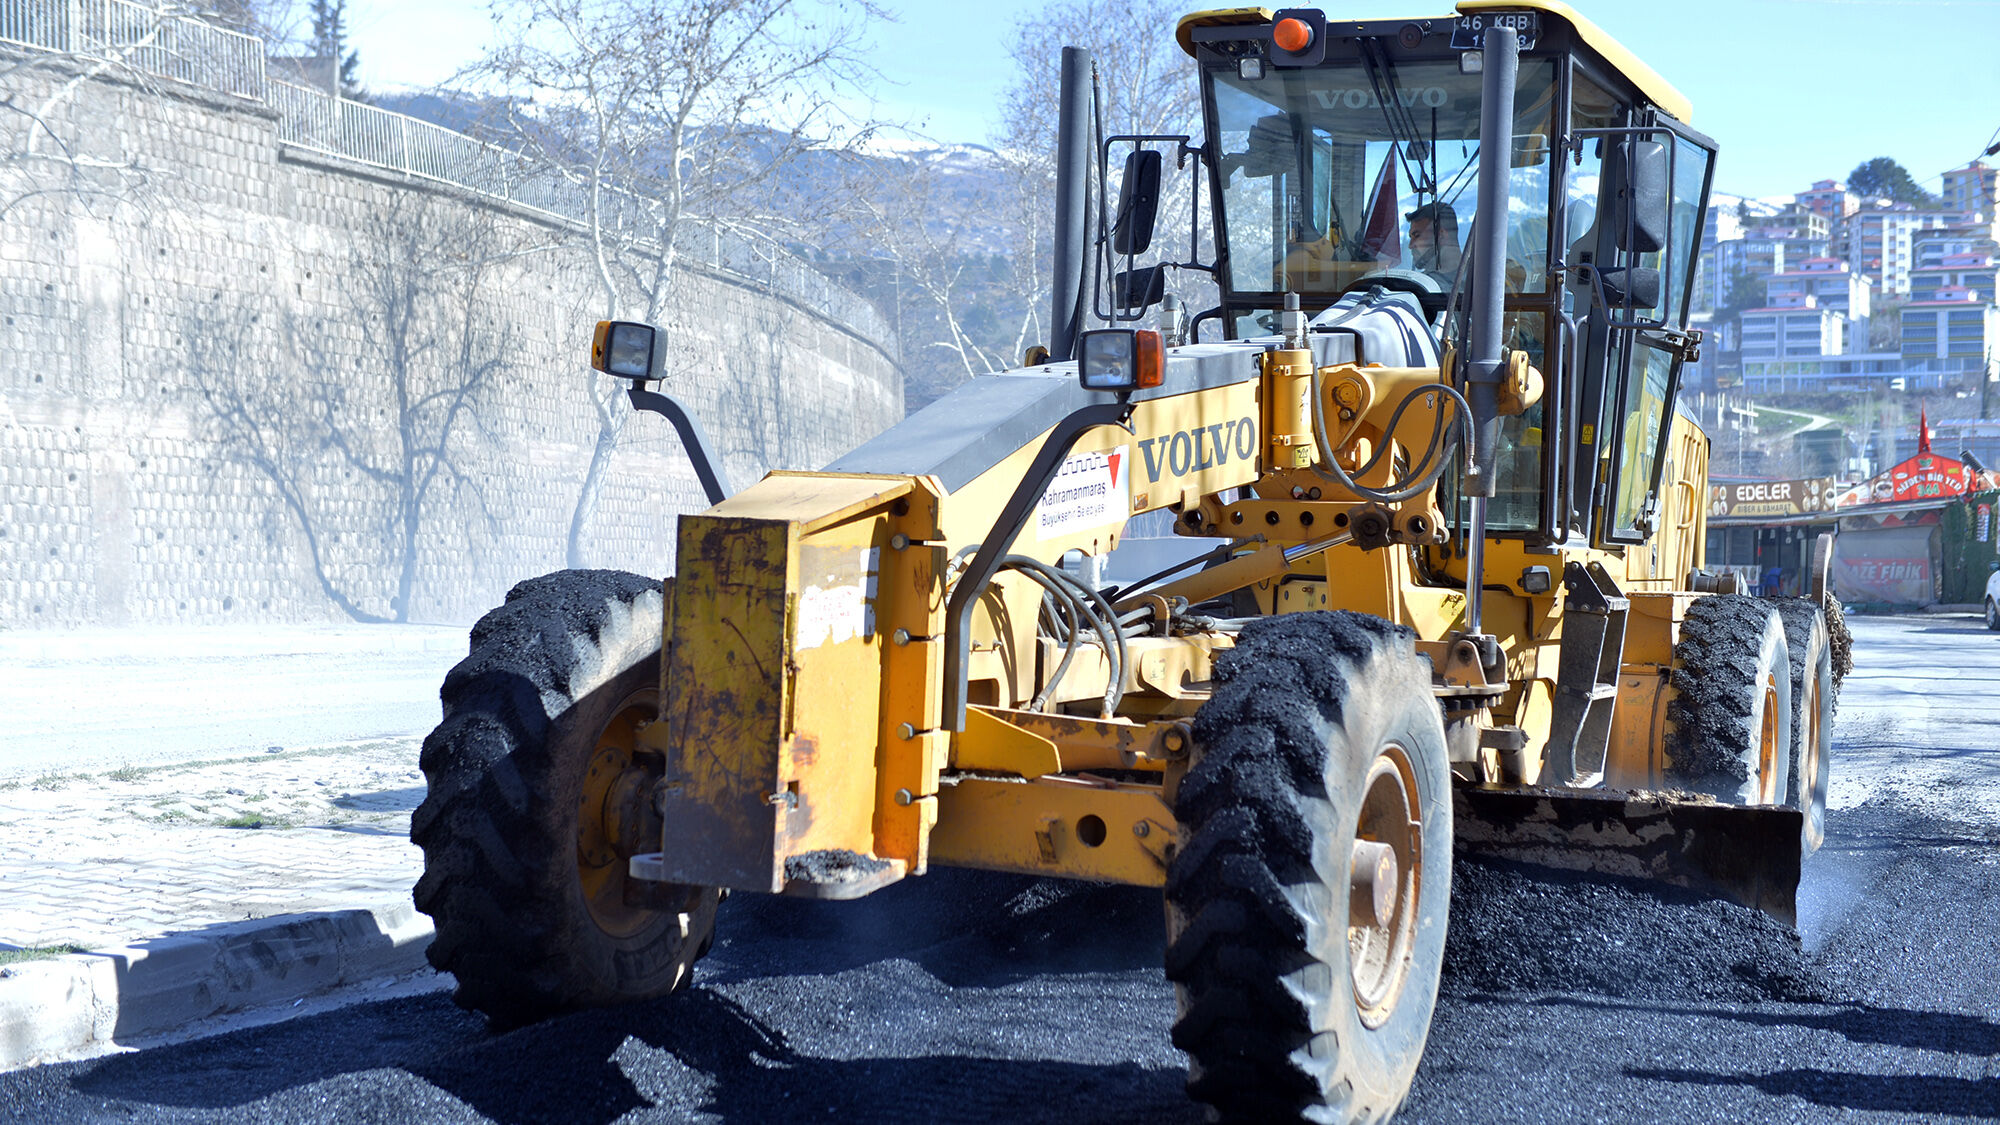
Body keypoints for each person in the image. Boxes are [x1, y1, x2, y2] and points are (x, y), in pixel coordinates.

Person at [1406, 202, 1462, 274]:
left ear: (1441, 235)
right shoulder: (1423, 282)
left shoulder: (1476, 277)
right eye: (1411, 237)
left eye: (1417, 235)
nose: (1410, 246)